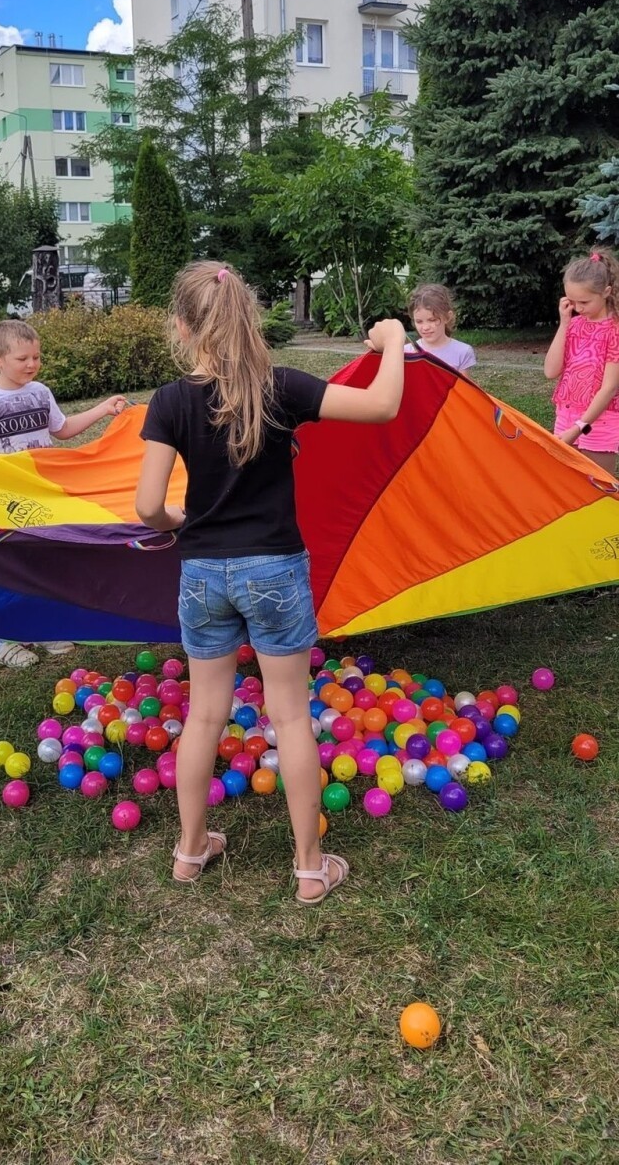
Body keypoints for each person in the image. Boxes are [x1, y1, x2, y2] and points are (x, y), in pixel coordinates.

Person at [136, 261, 406, 906]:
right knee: (289, 715)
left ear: (181, 327)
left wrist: (181, 519)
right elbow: (383, 405)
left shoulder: (170, 400)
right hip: (275, 571)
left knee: (203, 714)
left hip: (202, 572)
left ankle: (189, 851)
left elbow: (147, 506)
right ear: (249, 321)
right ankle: (310, 868)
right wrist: (392, 342)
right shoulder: (279, 387)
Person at [0, 319, 125, 667]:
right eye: (23, 359)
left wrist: (103, 410)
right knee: (12, 563)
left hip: (41, 496)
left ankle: (46, 627)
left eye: (36, 357)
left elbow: (61, 430)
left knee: (46, 558)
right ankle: (6, 639)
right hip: (5, 499)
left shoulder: (40, 392)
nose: (32, 364)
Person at [544, 249, 619, 476]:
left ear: (606, 292)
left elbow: (609, 389)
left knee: (598, 488)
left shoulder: (615, 330)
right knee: (565, 487)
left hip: (600, 422)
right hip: (566, 417)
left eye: (584, 301)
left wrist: (579, 427)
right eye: (572, 301)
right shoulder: (575, 324)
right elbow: (550, 371)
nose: (578, 308)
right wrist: (564, 324)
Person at [406, 283, 476, 373]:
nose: (425, 327)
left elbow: (461, 387)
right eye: (419, 321)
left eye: (432, 320)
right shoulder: (407, 352)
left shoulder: (462, 352)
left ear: (447, 317)